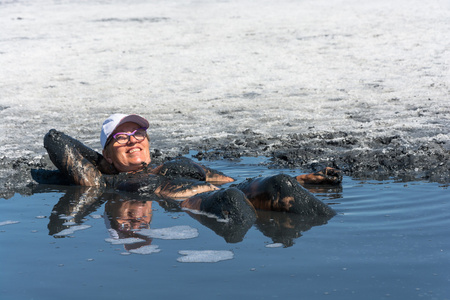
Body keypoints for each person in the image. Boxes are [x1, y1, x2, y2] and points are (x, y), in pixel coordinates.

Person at [44, 113, 341, 222]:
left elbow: (233, 180)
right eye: (121, 138)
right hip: (200, 202)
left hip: (227, 191)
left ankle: (334, 237)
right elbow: (55, 139)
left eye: (137, 134)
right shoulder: (103, 181)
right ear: (106, 153)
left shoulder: (176, 164)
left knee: (280, 183)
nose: (132, 141)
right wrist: (105, 164)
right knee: (232, 204)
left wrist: (302, 178)